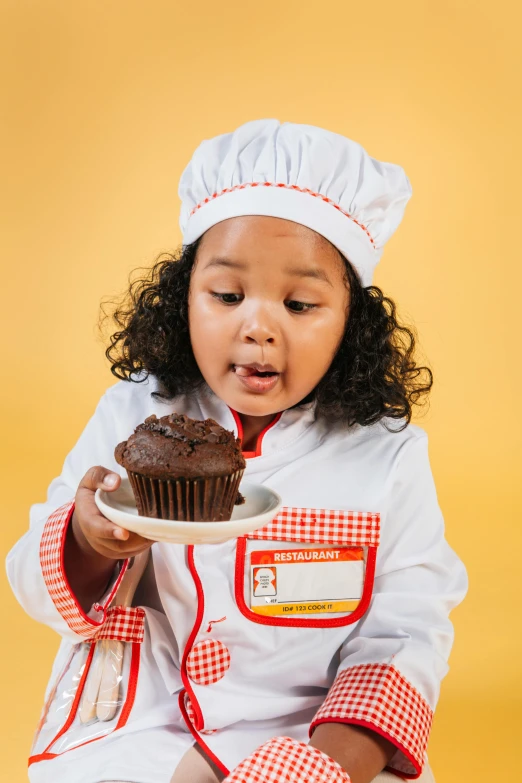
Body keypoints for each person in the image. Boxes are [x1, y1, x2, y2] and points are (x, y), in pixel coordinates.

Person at [6, 119, 468, 783]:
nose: (258, 326)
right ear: (182, 299)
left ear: (350, 323)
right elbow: (32, 576)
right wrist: (87, 537)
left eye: (301, 303)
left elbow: (405, 632)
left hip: (315, 730)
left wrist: (329, 764)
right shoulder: (133, 413)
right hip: (145, 720)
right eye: (226, 295)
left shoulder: (386, 457)